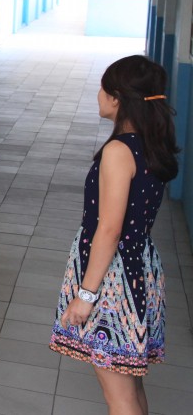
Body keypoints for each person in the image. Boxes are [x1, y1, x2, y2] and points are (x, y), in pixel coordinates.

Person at [49, 55, 176, 415]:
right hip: (139, 267)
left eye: (103, 89)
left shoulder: (119, 151)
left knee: (118, 396)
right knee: (130, 387)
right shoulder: (150, 143)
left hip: (114, 280)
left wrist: (86, 295)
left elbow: (109, 228)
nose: (98, 95)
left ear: (118, 98)